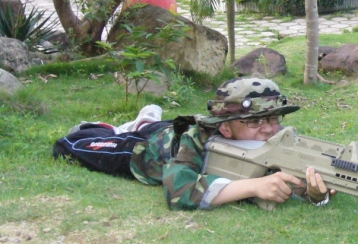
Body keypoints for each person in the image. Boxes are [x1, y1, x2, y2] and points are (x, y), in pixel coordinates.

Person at [53, 77, 334, 210]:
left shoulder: (276, 139)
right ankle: (108, 127)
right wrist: (253, 186)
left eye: (274, 118)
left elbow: (296, 183)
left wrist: (313, 193)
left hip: (172, 128)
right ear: (225, 127)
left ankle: (145, 119)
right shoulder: (194, 140)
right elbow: (179, 192)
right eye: (255, 121)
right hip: (149, 149)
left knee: (154, 124)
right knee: (71, 145)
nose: (269, 129)